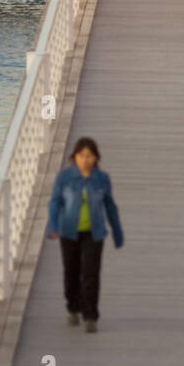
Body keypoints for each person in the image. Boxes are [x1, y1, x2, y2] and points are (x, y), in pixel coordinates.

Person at [46, 137, 124, 333]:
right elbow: (55, 202)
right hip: (68, 232)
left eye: (89, 156)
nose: (85, 160)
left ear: (96, 158)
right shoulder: (65, 177)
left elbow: (110, 206)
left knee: (91, 274)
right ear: (74, 157)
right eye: (82, 156)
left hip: (94, 233)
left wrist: (117, 231)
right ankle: (73, 308)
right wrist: (53, 225)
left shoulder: (101, 179)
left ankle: (90, 316)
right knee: (71, 272)